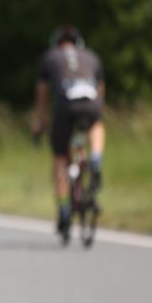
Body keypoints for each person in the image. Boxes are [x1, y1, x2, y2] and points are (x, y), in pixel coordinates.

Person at [31, 26, 105, 238]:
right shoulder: (91, 56)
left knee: (60, 157)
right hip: (91, 102)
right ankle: (96, 157)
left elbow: (43, 93)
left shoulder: (50, 57)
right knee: (96, 123)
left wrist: (41, 121)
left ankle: (64, 208)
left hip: (65, 105)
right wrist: (95, 113)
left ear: (56, 44)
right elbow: (101, 92)